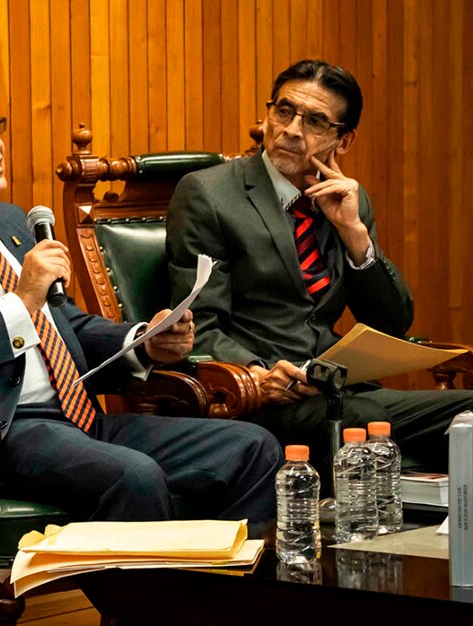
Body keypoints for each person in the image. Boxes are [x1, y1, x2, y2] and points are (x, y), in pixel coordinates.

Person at [0, 75, 281, 532]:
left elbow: (64, 326)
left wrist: (143, 342)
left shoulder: (3, 218)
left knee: (253, 448)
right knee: (132, 475)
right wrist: (21, 299)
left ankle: (227, 601)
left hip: (76, 417)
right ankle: (144, 606)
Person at [166, 59, 473, 482]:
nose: (292, 130)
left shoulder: (348, 202)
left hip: (340, 392)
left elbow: (391, 323)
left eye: (314, 121)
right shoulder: (209, 193)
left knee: (465, 411)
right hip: (264, 399)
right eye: (284, 111)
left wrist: (354, 232)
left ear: (343, 140)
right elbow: (200, 323)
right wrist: (258, 374)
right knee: (362, 421)